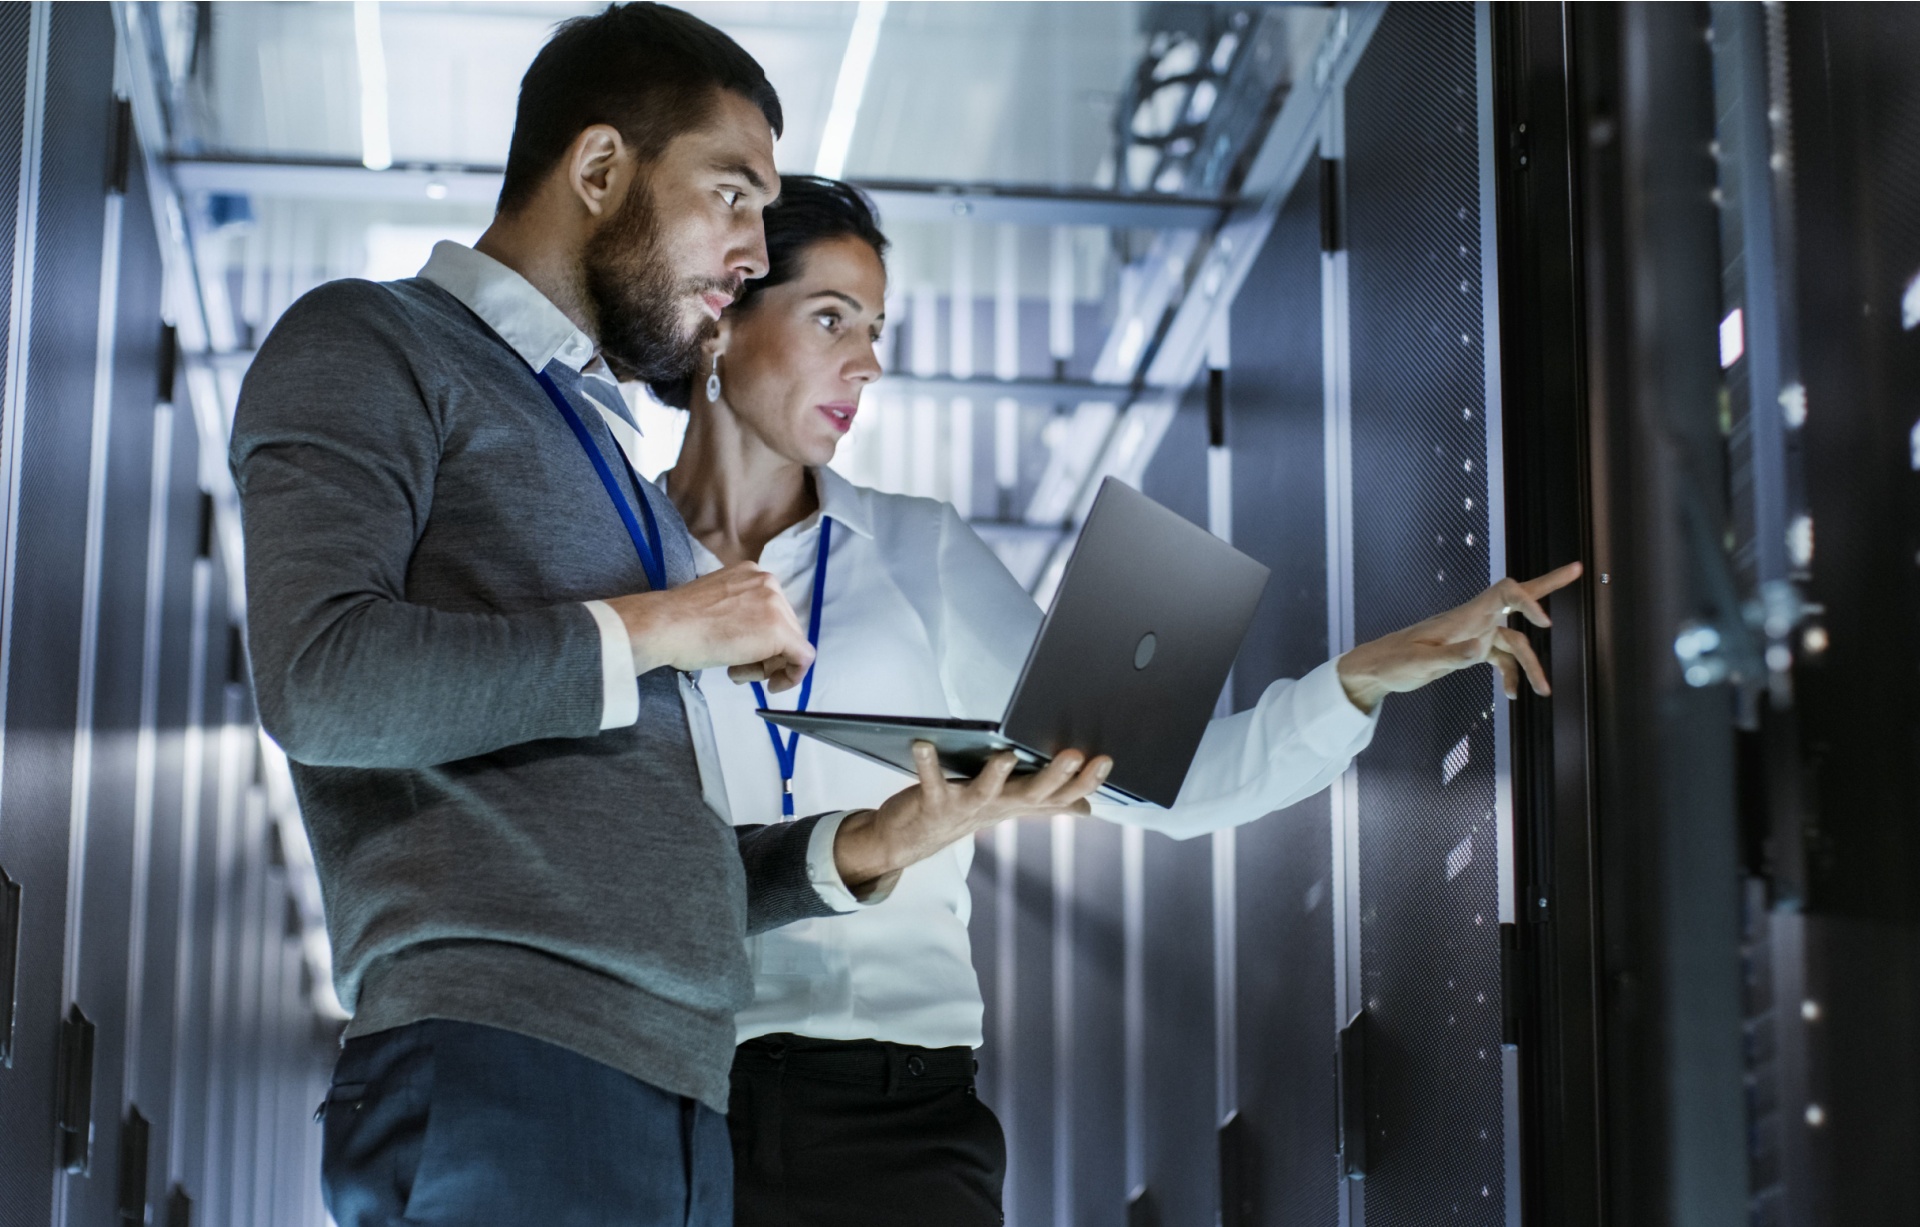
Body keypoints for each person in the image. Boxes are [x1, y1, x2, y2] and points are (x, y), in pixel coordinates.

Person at [228, 8, 1106, 1227]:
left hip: (679, 1097)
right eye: (734, 196)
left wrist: (880, 841)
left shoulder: (601, 454)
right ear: (599, 170)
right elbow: (322, 682)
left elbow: (662, 863)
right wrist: (660, 629)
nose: (754, 250)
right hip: (509, 1063)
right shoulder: (373, 339)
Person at [637, 175, 1583, 1227]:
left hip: (895, 1118)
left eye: (877, 328)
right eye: (831, 319)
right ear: (723, 319)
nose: (869, 362)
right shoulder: (612, 567)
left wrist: (1359, 677)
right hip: (661, 1096)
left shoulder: (921, 550)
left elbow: (1157, 788)